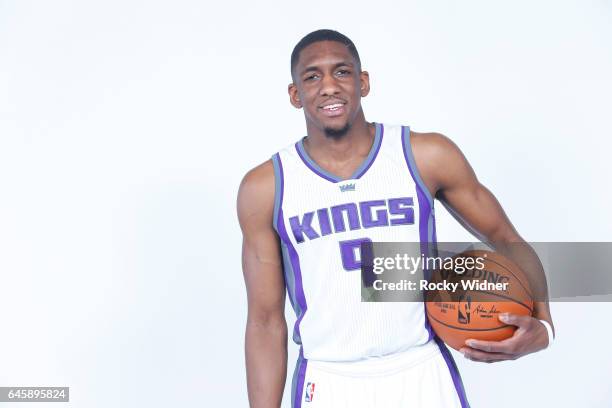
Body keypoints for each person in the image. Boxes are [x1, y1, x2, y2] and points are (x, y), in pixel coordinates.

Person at [237, 29, 554, 408]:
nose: (328, 87)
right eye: (311, 76)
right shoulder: (267, 187)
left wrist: (545, 326)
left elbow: (507, 238)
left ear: (363, 82)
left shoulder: (424, 155)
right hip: (328, 378)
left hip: (420, 370)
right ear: (295, 94)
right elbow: (265, 320)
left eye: (341, 72)